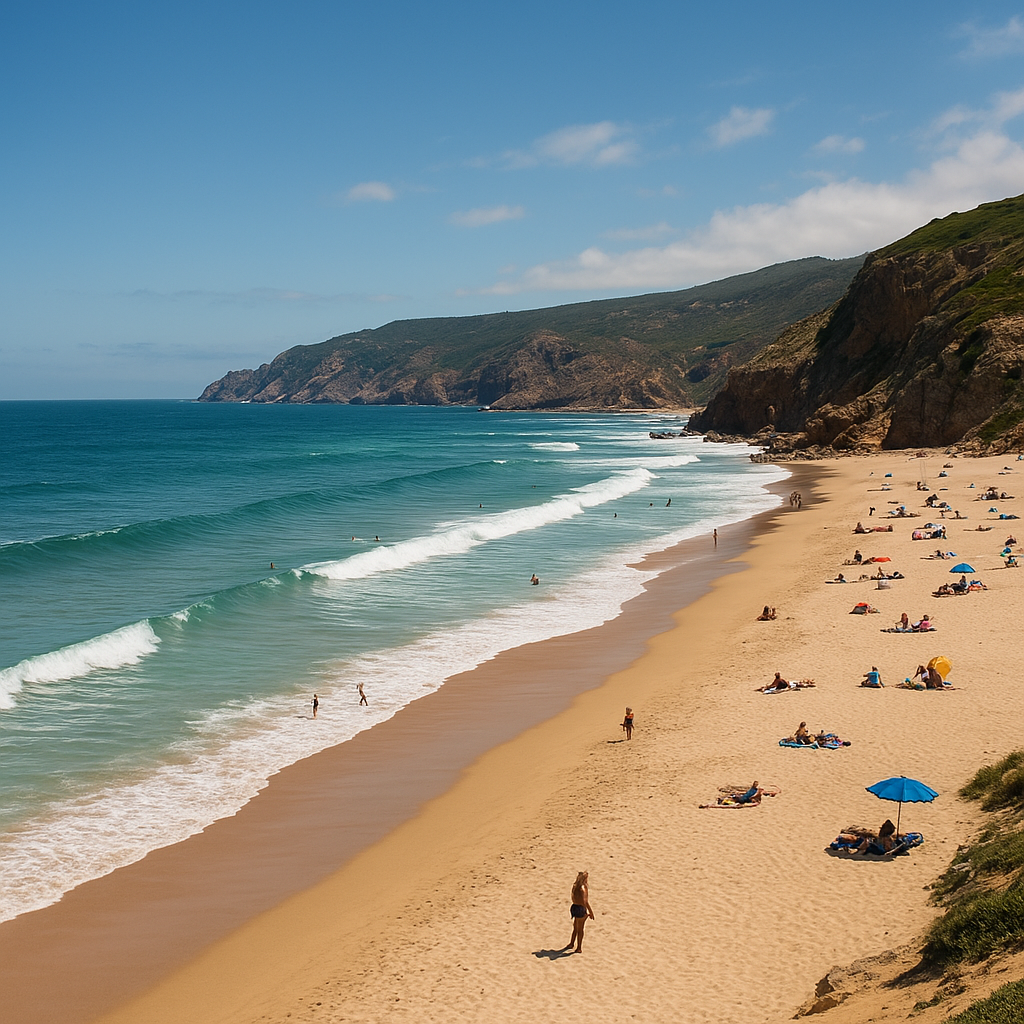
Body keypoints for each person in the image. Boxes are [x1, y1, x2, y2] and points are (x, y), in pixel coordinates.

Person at [564, 871, 594, 953]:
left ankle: (571, 943)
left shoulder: (575, 886)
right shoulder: (583, 888)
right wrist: (590, 912)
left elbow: (573, 897)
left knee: (575, 927)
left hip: (574, 907)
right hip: (580, 908)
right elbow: (585, 902)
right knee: (580, 929)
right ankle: (579, 948)